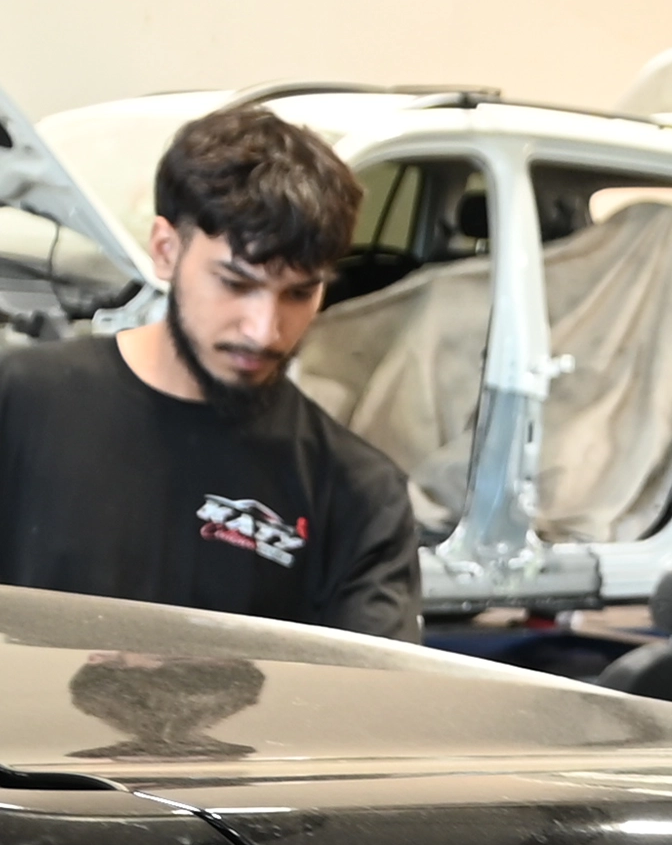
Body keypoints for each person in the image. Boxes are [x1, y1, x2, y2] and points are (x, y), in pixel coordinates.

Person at [0, 104, 420, 638]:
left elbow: (373, 709)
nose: (264, 330)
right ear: (166, 250)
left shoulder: (358, 494)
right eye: (235, 283)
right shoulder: (20, 402)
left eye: (299, 292)